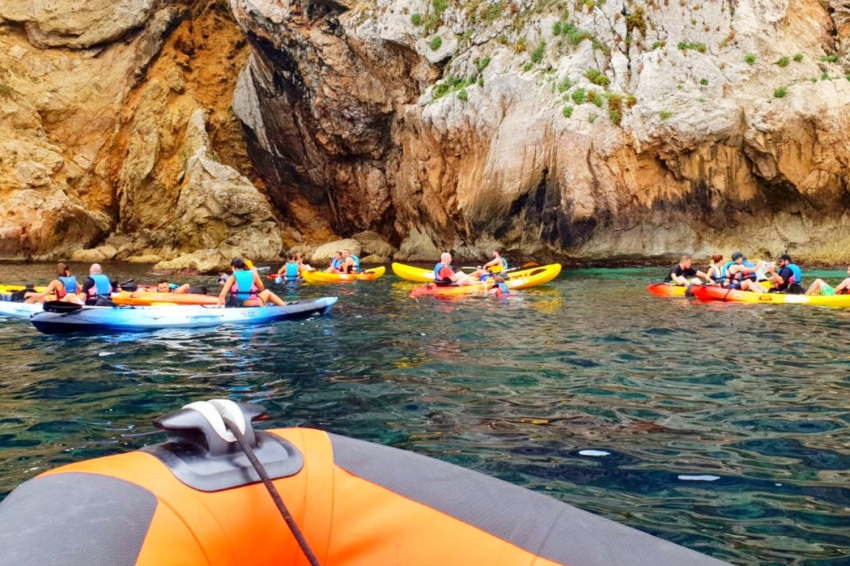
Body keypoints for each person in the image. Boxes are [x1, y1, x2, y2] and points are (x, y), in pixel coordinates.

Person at [217, 258, 286, 307]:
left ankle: (285, 307)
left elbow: (222, 294)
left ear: (234, 267)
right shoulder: (253, 274)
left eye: (232, 268)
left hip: (239, 305)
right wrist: (255, 273)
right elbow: (261, 289)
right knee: (267, 292)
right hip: (254, 303)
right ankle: (285, 307)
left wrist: (218, 307)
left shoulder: (233, 276)